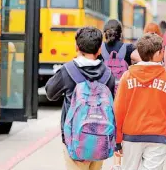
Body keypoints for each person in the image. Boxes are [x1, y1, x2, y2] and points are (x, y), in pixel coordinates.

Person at [45, 27, 116, 170]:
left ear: (77, 47)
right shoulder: (108, 75)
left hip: (74, 141)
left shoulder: (68, 71)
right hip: (100, 140)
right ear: (99, 50)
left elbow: (50, 93)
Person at [114, 33, 166, 170]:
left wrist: (117, 140)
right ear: (158, 53)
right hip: (157, 136)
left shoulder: (127, 77)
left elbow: (118, 110)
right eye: (162, 50)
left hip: (130, 135)